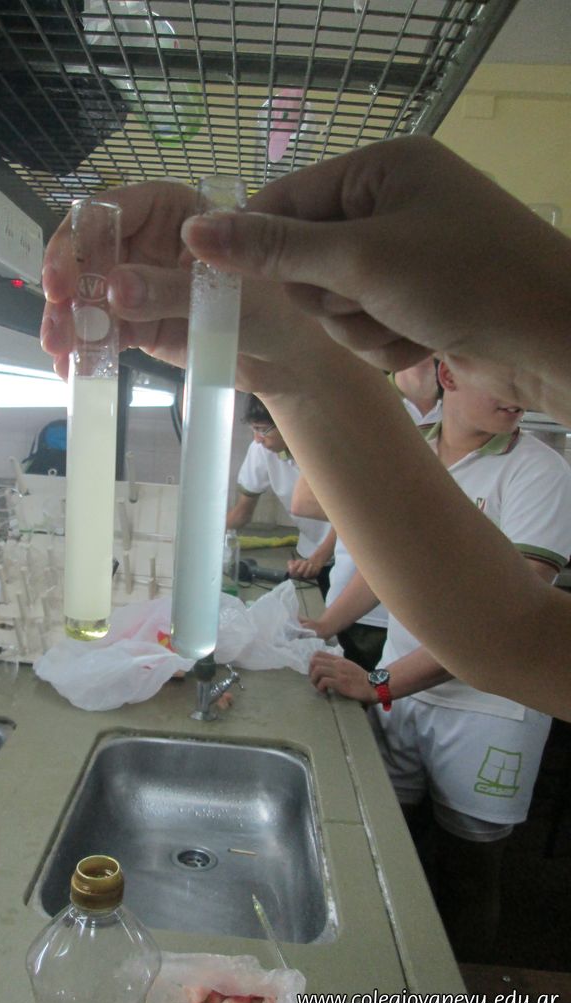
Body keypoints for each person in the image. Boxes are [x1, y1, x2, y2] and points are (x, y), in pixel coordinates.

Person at [40, 135, 571, 720]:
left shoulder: (541, 470)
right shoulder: (436, 432)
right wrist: (292, 355)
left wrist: (543, 308)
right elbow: (510, 634)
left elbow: (520, 641)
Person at [309, 361, 571, 960]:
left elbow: (501, 623)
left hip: (488, 707)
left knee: (468, 871)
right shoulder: (414, 452)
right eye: (504, 379)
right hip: (403, 689)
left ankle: (459, 990)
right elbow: (386, 565)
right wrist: (321, 625)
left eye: (525, 383)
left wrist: (379, 683)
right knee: (388, 848)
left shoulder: (541, 473)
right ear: (448, 374)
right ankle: (388, 974)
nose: (519, 397)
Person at [294, 359, 442, 669]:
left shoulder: (460, 412)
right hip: (357, 607)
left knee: (386, 691)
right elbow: (305, 500)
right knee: (367, 691)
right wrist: (405, 516)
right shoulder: (360, 400)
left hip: (428, 616)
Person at [227, 394, 334, 592]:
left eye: (262, 430)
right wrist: (206, 535)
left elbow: (351, 519)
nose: (257, 438)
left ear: (288, 422)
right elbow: (242, 512)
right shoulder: (261, 450)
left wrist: (319, 559)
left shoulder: (327, 449)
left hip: (352, 549)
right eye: (253, 429)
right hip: (312, 547)